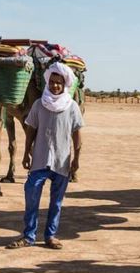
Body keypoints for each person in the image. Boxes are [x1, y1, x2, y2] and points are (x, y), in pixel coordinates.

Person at [6, 62, 84, 250]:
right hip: (40, 159)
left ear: (64, 84)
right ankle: (28, 236)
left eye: (58, 83)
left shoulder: (72, 107)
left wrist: (76, 160)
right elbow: (31, 129)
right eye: (52, 82)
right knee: (31, 195)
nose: (55, 86)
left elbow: (77, 134)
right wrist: (26, 153)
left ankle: (50, 236)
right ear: (48, 82)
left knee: (56, 202)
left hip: (62, 161)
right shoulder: (39, 104)